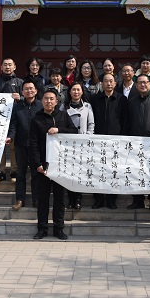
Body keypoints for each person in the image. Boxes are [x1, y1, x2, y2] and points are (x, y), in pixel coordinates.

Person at [30, 89, 78, 240]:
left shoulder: (63, 115)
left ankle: (59, 228)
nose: (48, 101)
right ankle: (42, 228)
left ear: (56, 101)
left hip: (60, 164)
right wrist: (37, 164)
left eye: (51, 99)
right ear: (42, 101)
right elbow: (33, 143)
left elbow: (74, 132)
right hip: (44, 165)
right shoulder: (36, 119)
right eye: (46, 98)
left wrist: (59, 130)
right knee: (43, 199)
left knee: (60, 198)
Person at [126, 74, 150, 211]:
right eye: (140, 83)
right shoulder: (131, 102)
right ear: (136, 85)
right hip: (135, 143)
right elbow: (127, 122)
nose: (143, 85)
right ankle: (137, 200)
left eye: (145, 82)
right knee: (135, 171)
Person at [90, 73, 128, 209]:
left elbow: (125, 120)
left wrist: (123, 138)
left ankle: (112, 199)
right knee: (97, 170)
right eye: (106, 81)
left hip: (115, 141)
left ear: (115, 83)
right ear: (101, 84)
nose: (109, 83)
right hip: (98, 141)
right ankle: (98, 199)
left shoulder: (122, 99)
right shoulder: (95, 99)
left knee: (113, 171)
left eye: (111, 81)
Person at [7, 80, 43, 211]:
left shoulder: (41, 105)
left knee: (36, 173)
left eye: (31, 88)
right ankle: (20, 200)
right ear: (22, 92)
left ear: (36, 91)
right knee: (20, 173)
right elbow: (14, 124)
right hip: (20, 144)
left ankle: (36, 199)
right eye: (26, 89)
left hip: (36, 146)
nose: (29, 91)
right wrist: (10, 136)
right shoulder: (17, 107)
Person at [0, 58, 23, 183]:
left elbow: (27, 98)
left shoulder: (20, 82)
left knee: (14, 146)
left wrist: (20, 97)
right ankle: (0, 171)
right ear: (1, 67)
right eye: (5, 65)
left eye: (10, 65)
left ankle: (14, 171)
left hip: (15, 119)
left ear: (14, 67)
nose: (8, 67)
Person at [64, 82, 95, 210]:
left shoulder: (87, 106)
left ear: (82, 92)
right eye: (73, 90)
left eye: (78, 90)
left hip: (82, 144)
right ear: (69, 92)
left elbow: (91, 124)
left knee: (79, 172)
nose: (76, 92)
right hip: (68, 144)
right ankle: (70, 199)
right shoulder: (64, 106)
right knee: (69, 172)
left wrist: (87, 137)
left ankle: (78, 198)